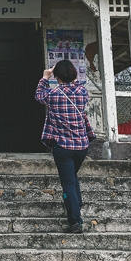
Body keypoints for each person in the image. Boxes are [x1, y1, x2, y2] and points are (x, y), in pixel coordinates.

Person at [34, 59, 95, 234]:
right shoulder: (83, 93)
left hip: (63, 146)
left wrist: (45, 77)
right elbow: (76, 87)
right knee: (72, 175)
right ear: (74, 75)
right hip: (82, 146)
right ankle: (77, 203)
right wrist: (70, 78)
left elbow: (38, 95)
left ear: (57, 76)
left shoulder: (53, 95)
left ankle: (75, 221)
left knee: (67, 182)